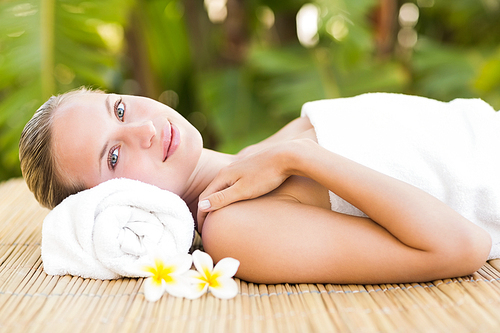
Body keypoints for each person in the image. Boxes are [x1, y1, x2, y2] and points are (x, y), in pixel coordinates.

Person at [19, 87, 495, 284]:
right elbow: (463, 246)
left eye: (119, 109)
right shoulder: (236, 226)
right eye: (114, 155)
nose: (142, 129)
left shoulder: (257, 159)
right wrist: (300, 155)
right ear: (112, 199)